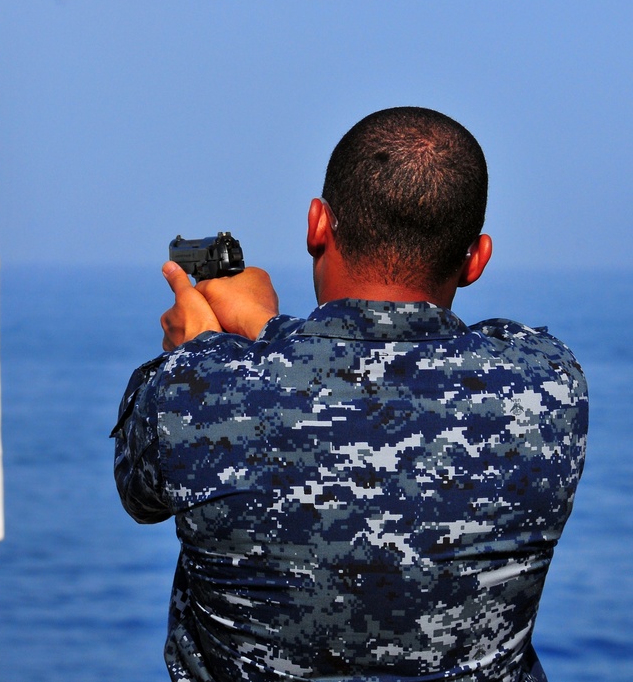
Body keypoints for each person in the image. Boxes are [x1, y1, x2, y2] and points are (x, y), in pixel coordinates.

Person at [112, 107, 588, 682]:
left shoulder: (196, 388)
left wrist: (202, 350)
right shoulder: (547, 386)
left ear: (318, 224)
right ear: (476, 260)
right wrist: (264, 332)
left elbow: (141, 495)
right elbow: (387, 367)